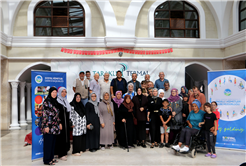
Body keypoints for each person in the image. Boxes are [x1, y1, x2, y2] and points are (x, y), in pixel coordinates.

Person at [41, 87, 61, 165]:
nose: (54, 94)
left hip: (54, 126)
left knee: (52, 143)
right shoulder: (46, 102)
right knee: (48, 144)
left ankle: (51, 158)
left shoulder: (55, 102)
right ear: (50, 93)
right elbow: (44, 114)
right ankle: (46, 160)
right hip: (48, 126)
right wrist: (46, 126)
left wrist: (59, 123)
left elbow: (57, 114)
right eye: (53, 92)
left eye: (56, 92)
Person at [55, 87, 71, 161]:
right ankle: (60, 154)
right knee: (61, 138)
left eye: (65, 92)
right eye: (62, 92)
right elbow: (57, 114)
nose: (64, 93)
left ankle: (64, 152)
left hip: (66, 122)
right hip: (61, 123)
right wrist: (59, 123)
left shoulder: (65, 101)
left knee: (65, 136)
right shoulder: (57, 101)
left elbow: (68, 111)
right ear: (59, 92)